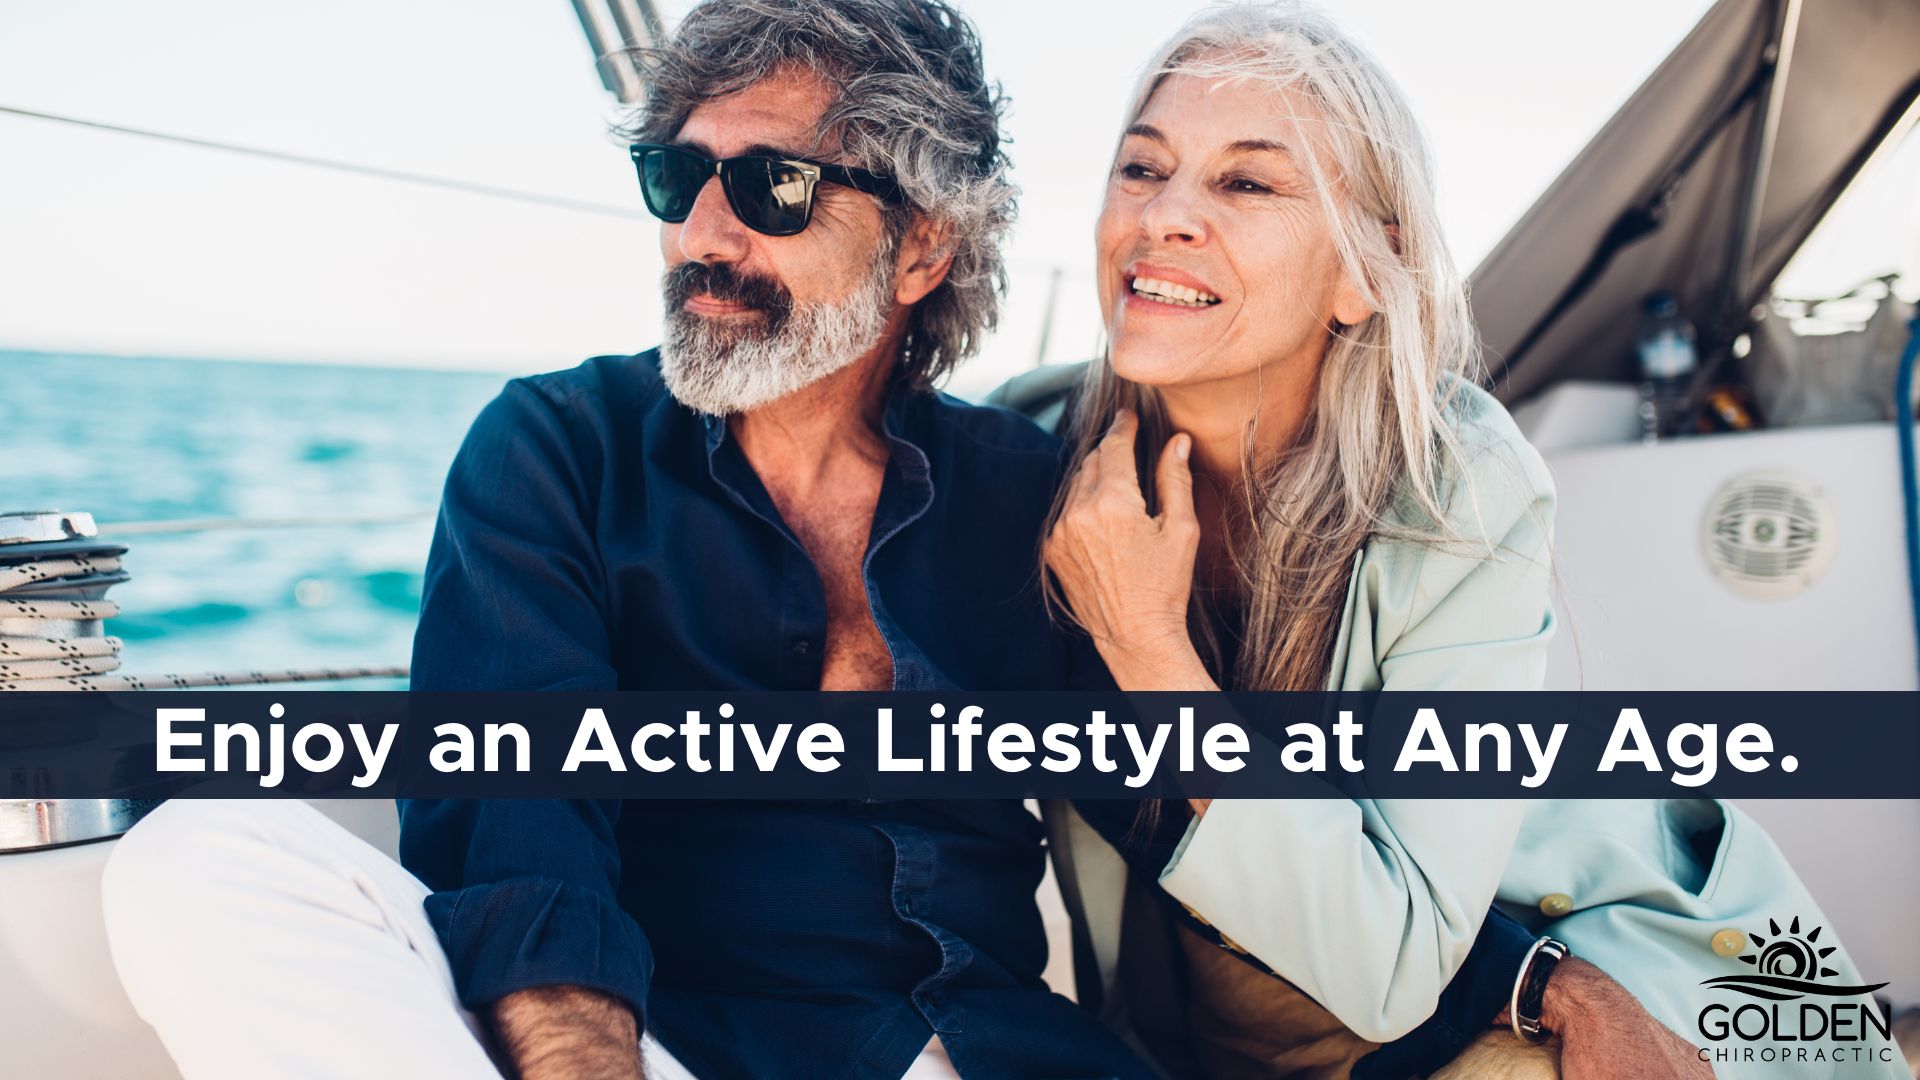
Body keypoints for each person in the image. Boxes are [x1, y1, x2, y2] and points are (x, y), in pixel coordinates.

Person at [101, 2, 1692, 1079]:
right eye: (679, 176)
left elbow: (1193, 810)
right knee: (202, 857)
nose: (706, 232)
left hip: (992, 1053)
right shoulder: (558, 451)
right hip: (678, 1049)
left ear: (923, 245)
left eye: (775, 186)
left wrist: (1526, 979)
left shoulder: (1042, 497)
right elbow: (519, 803)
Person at [1029, 5, 1906, 1079]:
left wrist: (1151, 651)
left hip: (1568, 955)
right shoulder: (1026, 453)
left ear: (1364, 272)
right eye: (1141, 167)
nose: (1164, 215)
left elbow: (1392, 966)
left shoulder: (1452, 483)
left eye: (1245, 182)